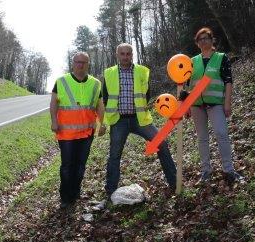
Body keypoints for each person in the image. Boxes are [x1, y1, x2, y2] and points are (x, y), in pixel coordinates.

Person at [103, 43, 177, 198]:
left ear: (132, 55)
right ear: (117, 55)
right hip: (118, 121)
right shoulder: (109, 73)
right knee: (114, 155)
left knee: (161, 143)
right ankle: (110, 191)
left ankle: (174, 182)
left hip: (140, 119)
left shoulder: (142, 71)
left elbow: (147, 94)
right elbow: (105, 97)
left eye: (128, 54)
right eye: (122, 54)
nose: (125, 57)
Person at [184, 27, 244, 185]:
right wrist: (187, 106)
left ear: (212, 40)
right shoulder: (192, 62)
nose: (204, 41)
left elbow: (228, 81)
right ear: (197, 43)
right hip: (197, 106)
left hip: (216, 104)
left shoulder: (221, 58)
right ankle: (205, 172)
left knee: (221, 134)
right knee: (202, 139)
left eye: (206, 38)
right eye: (200, 39)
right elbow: (188, 86)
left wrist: (227, 103)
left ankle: (229, 170)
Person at [50, 52, 105, 209]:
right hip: (66, 133)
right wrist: (54, 121)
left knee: (80, 165)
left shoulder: (95, 84)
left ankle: (75, 192)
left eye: (84, 62)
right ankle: (65, 197)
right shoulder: (61, 81)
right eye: (78, 62)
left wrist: (103, 123)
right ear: (73, 63)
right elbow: (53, 103)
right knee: (67, 165)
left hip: (87, 133)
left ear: (88, 64)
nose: (80, 64)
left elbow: (99, 105)